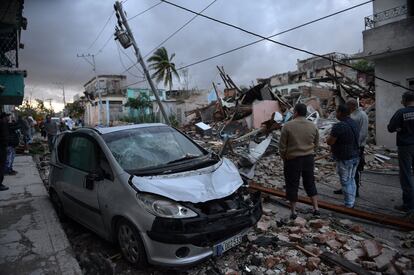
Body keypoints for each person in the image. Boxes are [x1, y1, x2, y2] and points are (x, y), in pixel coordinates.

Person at [279, 103, 320, 219]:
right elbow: (316, 144)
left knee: (292, 184)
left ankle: (293, 212)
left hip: (292, 160)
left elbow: (282, 146)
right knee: (310, 182)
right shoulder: (313, 126)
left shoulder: (287, 126)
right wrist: (311, 153)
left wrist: (284, 157)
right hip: (308, 158)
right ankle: (316, 209)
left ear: (296, 112)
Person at [333, 99, 368, 197]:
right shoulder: (352, 115)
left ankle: (354, 191)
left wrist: (356, 144)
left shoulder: (362, 115)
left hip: (357, 146)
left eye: (347, 106)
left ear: (352, 106)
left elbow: (363, 133)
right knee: (346, 171)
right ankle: (346, 188)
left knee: (354, 170)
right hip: (350, 146)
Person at [327, 104, 360, 208]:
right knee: (351, 179)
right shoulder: (354, 123)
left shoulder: (339, 126)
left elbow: (330, 141)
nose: (336, 114)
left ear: (340, 113)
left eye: (336, 112)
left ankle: (349, 205)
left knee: (345, 181)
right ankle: (352, 201)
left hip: (345, 158)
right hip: (355, 156)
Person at [387, 91, 414, 215]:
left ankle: (408, 205)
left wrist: (400, 128)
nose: (401, 101)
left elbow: (391, 128)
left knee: (406, 175)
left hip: (405, 147)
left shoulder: (401, 112)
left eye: (402, 99)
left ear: (405, 100)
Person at [0, 112, 10, 191]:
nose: (8, 118)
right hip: (2, 148)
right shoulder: (2, 125)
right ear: (4, 117)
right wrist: (6, 145)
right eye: (7, 116)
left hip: (2, 147)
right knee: (1, 165)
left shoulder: (4, 124)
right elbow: (4, 137)